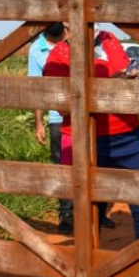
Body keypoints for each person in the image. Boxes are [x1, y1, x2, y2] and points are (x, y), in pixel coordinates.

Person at [43, 29, 139, 246]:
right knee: (91, 206)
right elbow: (63, 108)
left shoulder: (109, 39)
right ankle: (91, 266)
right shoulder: (58, 58)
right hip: (88, 140)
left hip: (128, 135)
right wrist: (108, 86)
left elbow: (132, 81)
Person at [27, 22, 98, 234]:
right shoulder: (36, 50)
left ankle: (96, 212)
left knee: (93, 161)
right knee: (64, 167)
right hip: (59, 117)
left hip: (88, 114)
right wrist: (40, 122)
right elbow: (38, 88)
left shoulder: (80, 42)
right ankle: (67, 216)